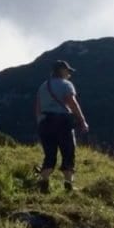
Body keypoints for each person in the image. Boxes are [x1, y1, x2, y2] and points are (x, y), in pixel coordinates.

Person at [34, 60, 89, 193]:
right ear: (62, 71)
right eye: (68, 71)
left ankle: (44, 183)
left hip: (45, 122)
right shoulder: (66, 85)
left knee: (49, 154)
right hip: (62, 123)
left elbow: (38, 107)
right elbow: (72, 103)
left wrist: (40, 122)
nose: (69, 73)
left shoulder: (43, 86)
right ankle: (68, 184)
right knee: (68, 152)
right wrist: (82, 121)